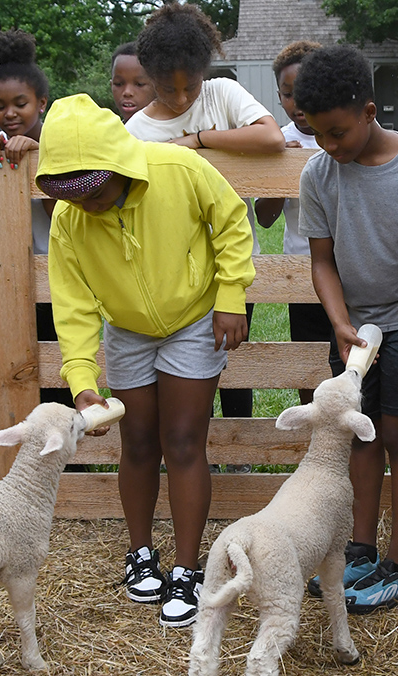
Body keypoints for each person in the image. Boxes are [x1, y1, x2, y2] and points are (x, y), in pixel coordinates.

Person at [35, 94, 255, 627]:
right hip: (127, 330)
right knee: (137, 441)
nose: (87, 207)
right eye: (74, 198)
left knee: (182, 441)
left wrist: (230, 298)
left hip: (193, 320)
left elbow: (230, 222)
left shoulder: (178, 167)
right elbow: (73, 303)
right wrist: (81, 378)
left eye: (95, 193)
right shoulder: (69, 217)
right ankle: (140, 554)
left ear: (119, 165)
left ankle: (185, 569)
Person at [294, 45, 398, 613]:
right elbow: (321, 260)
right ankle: (361, 548)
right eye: (317, 134)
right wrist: (339, 323)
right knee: (358, 436)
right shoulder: (319, 173)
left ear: (368, 111)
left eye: (337, 132)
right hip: (354, 333)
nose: (328, 146)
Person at [126, 2, 285, 449]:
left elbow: (271, 136)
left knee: (225, 358)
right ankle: (191, 451)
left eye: (189, 87)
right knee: (182, 378)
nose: (180, 99)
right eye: (166, 89)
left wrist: (197, 140)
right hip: (176, 277)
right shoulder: (137, 130)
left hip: (232, 264)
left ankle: (233, 451)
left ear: (204, 72)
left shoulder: (222, 95)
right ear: (149, 76)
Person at [0, 29, 70, 407]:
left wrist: (40, 159)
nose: (9, 114)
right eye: (0, 106)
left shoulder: (60, 144)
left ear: (42, 102)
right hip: (13, 277)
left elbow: (66, 212)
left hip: (62, 273)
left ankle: (71, 458)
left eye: (20, 104)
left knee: (61, 365)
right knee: (23, 366)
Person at [254, 40, 330, 405]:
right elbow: (265, 219)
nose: (297, 103)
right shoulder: (278, 141)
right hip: (300, 268)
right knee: (310, 357)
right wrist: (282, 174)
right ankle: (315, 426)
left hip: (352, 267)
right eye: (287, 94)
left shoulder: (347, 131)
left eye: (304, 91)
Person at [110, 42, 153, 123]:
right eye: (118, 84)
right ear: (111, 85)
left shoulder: (174, 131)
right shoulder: (108, 133)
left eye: (139, 84)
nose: (127, 92)